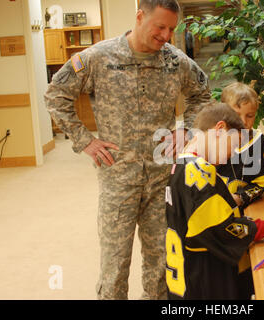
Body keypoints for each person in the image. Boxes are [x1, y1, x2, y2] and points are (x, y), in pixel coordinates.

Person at [44, 0, 211, 300]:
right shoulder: (98, 58)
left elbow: (202, 92)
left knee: (161, 263)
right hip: (118, 179)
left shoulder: (175, 61)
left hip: (162, 178)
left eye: (172, 29)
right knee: (115, 267)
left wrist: (187, 130)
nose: (166, 36)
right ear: (139, 16)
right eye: (160, 27)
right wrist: (86, 141)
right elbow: (55, 95)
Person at [165, 102, 264, 299]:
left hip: (187, 277)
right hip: (203, 283)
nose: (232, 155)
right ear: (220, 130)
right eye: (234, 146)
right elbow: (222, 229)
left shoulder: (182, 165)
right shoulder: (198, 173)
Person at [218, 82, 264, 211]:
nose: (243, 121)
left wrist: (241, 197)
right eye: (236, 115)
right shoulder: (212, 141)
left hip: (248, 209)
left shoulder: (261, 143)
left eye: (249, 116)